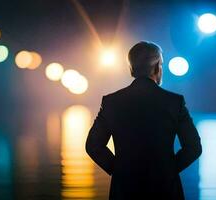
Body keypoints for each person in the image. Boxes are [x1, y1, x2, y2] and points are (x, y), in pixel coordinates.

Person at [86, 41, 202, 200]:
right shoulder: (174, 102)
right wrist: (168, 170)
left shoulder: (111, 102)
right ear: (157, 67)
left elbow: (93, 146)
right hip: (165, 190)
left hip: (124, 190)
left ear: (131, 69)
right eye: (161, 64)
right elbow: (193, 147)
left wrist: (119, 170)